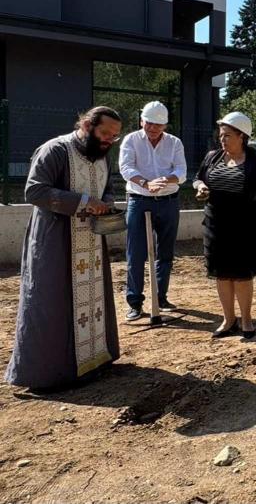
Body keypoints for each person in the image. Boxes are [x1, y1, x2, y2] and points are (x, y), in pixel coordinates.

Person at [5, 107, 122, 391]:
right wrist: (83, 202)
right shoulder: (55, 150)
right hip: (56, 242)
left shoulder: (102, 154)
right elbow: (34, 191)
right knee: (53, 301)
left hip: (91, 242)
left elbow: (108, 187)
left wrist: (105, 202)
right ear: (87, 125)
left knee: (93, 301)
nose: (109, 140)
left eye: (114, 136)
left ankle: (95, 361)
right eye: (105, 133)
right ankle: (50, 375)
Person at [193, 112, 256, 338]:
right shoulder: (212, 157)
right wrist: (200, 186)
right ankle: (228, 319)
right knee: (222, 274)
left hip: (244, 226)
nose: (222, 140)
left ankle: (246, 319)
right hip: (215, 225)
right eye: (221, 135)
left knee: (242, 274)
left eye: (227, 135)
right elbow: (198, 178)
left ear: (241, 136)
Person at [119, 101, 187, 321]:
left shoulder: (174, 143)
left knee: (165, 252)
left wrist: (165, 180)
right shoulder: (131, 140)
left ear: (165, 125)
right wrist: (146, 183)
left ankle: (161, 298)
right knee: (136, 253)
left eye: (157, 125)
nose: (152, 128)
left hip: (168, 201)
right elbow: (126, 167)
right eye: (148, 123)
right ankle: (135, 303)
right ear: (142, 121)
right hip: (139, 200)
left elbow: (181, 171)